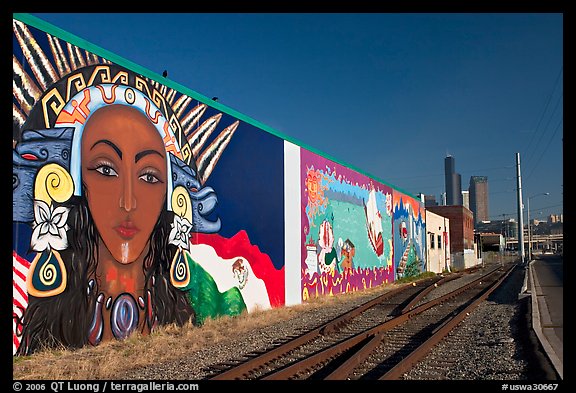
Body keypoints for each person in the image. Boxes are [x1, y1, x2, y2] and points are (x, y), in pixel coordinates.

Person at [16, 103, 195, 355]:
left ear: (167, 197)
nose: (128, 202)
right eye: (106, 169)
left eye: (149, 177)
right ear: (76, 182)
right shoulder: (57, 317)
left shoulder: (174, 311)